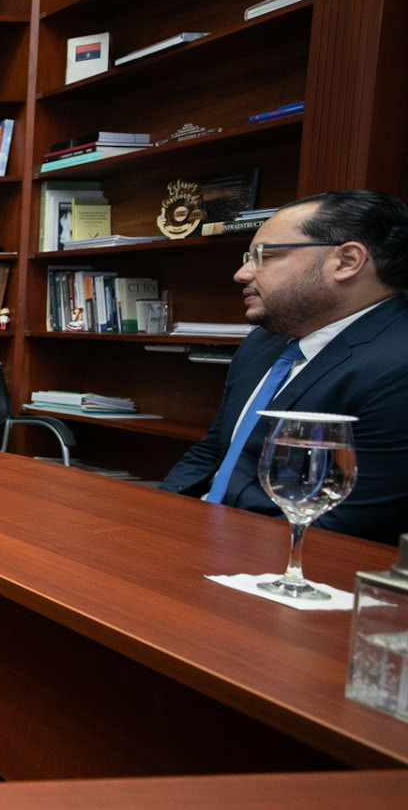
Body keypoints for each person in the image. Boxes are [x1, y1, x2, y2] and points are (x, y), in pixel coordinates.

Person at [161, 190, 408, 544]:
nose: (242, 273)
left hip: (273, 555)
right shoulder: (265, 342)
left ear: (347, 261)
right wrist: (159, 516)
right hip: (200, 531)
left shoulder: (397, 366)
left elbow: (343, 529)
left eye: (264, 256)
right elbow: (215, 450)